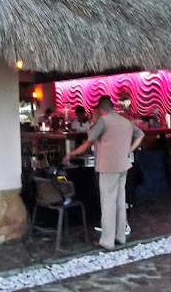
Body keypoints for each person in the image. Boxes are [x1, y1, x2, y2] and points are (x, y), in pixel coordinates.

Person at [64, 96, 145, 250]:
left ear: (101, 109)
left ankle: (107, 240)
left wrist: (71, 154)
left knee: (108, 202)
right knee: (120, 202)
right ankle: (120, 236)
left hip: (108, 167)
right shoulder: (125, 121)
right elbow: (140, 135)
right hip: (123, 165)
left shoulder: (104, 121)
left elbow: (88, 143)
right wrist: (129, 150)